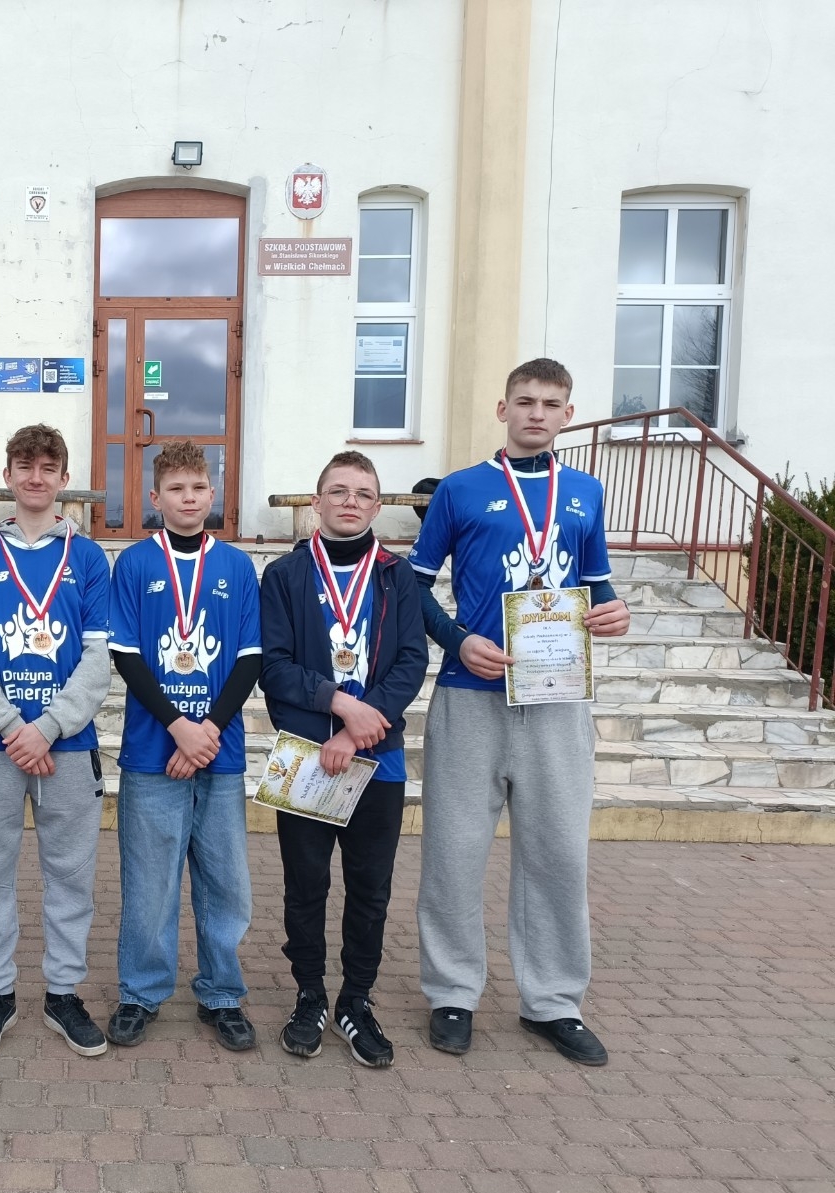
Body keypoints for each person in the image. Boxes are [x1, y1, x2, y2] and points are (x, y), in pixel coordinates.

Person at [409, 358, 630, 1066]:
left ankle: (553, 1001)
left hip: (558, 699)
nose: (537, 413)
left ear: (568, 414)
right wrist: (457, 640)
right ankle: (451, 993)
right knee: (453, 851)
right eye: (525, 401)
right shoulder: (459, 489)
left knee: (558, 853)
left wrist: (615, 614)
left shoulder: (586, 492)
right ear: (502, 409)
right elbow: (412, 589)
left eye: (551, 403)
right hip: (470, 695)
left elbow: (598, 589)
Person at [0, 424, 112, 1057]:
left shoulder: (88, 558)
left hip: (67, 747)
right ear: (8, 475)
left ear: (64, 478)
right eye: (25, 466)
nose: (36, 477)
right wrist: (14, 726)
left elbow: (97, 661)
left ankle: (63, 993)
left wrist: (46, 727)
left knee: (70, 879)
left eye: (48, 467)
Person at [259, 450, 428, 1067]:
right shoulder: (284, 575)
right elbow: (273, 667)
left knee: (370, 888)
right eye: (338, 491)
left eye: (362, 493)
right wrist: (337, 704)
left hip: (377, 760)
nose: (350, 501)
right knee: (305, 885)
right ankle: (309, 995)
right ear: (317, 501)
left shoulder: (397, 576)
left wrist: (356, 731)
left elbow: (412, 660)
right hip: (307, 756)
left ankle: (356, 999)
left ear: (377, 506)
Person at [105, 440, 261, 1051]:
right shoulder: (135, 564)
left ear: (213, 493)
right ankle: (141, 993)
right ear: (155, 497)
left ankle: (222, 994)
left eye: (198, 487)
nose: (189, 498)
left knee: (226, 884)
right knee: (150, 884)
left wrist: (207, 732)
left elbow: (249, 658)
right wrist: (178, 726)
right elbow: (126, 655)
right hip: (153, 750)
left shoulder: (237, 567)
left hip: (220, 753)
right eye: (176, 489)